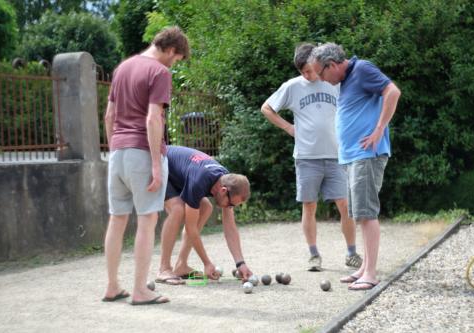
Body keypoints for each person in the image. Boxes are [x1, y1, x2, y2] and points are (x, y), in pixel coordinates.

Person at [102, 27, 189, 305]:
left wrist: (114, 147)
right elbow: (154, 119)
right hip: (142, 152)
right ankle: (140, 290)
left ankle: (113, 286)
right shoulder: (159, 72)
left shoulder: (123, 68)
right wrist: (155, 163)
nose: (174, 64)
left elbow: (109, 115)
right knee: (147, 219)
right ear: (172, 50)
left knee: (117, 220)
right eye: (177, 59)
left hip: (117, 153)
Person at [260, 43, 362, 272]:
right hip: (306, 156)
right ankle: (314, 254)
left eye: (310, 70)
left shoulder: (334, 81)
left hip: (336, 154)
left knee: (345, 205)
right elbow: (266, 108)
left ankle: (352, 252)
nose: (308, 75)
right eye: (303, 72)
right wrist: (288, 128)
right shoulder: (292, 87)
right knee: (309, 205)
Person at [309, 43, 401, 290]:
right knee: (360, 214)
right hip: (353, 157)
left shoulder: (362, 69)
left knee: (367, 214)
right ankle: (364, 267)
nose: (321, 79)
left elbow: (392, 92)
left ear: (332, 65)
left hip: (366, 155)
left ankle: (370, 274)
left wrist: (379, 129)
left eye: (321, 73)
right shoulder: (348, 80)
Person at [155, 146, 253, 285]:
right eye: (230, 204)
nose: (229, 208)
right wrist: (207, 263)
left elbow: (230, 228)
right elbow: (191, 228)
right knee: (177, 209)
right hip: (159, 163)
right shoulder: (199, 181)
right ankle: (164, 268)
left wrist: (240, 263)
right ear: (224, 190)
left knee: (206, 207)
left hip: (179, 172)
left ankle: (181, 265)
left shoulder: (225, 179)